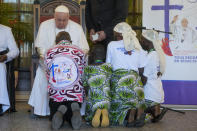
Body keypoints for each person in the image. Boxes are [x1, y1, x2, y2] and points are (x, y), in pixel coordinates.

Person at [28, 5, 89, 117]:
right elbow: (40, 48)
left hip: (71, 68)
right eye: (58, 20)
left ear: (69, 18)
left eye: (64, 20)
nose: (61, 23)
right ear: (54, 17)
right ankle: (43, 111)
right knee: (42, 74)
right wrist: (45, 58)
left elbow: (85, 49)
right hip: (50, 67)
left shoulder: (77, 27)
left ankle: (59, 110)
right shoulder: (44, 25)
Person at [106, 22, 146, 127]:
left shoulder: (111, 45)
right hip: (136, 82)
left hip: (120, 81)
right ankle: (137, 111)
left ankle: (128, 113)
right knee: (137, 95)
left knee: (114, 112)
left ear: (117, 35)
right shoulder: (137, 46)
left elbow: (108, 66)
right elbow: (141, 69)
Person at [44, 31, 85, 130]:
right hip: (74, 93)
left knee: (56, 113)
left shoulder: (49, 52)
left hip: (56, 94)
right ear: (70, 41)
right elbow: (82, 72)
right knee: (71, 112)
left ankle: (59, 112)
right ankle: (74, 109)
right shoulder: (80, 52)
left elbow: (48, 74)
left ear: (56, 41)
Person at [140, 30, 168, 123]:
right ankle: (155, 111)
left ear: (148, 42)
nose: (141, 42)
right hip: (157, 92)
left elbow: (144, 79)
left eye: (142, 40)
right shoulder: (157, 54)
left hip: (150, 94)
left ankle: (151, 112)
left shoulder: (151, 56)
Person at [83, 59, 112, 127]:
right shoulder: (108, 66)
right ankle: (103, 113)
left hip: (93, 97)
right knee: (107, 105)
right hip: (106, 97)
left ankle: (95, 115)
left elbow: (85, 84)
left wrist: (87, 95)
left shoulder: (87, 68)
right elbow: (110, 81)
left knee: (89, 113)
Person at [0, 24, 19, 116]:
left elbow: (15, 51)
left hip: (0, 60)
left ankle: (0, 104)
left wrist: (6, 56)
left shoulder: (6, 30)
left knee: (0, 68)